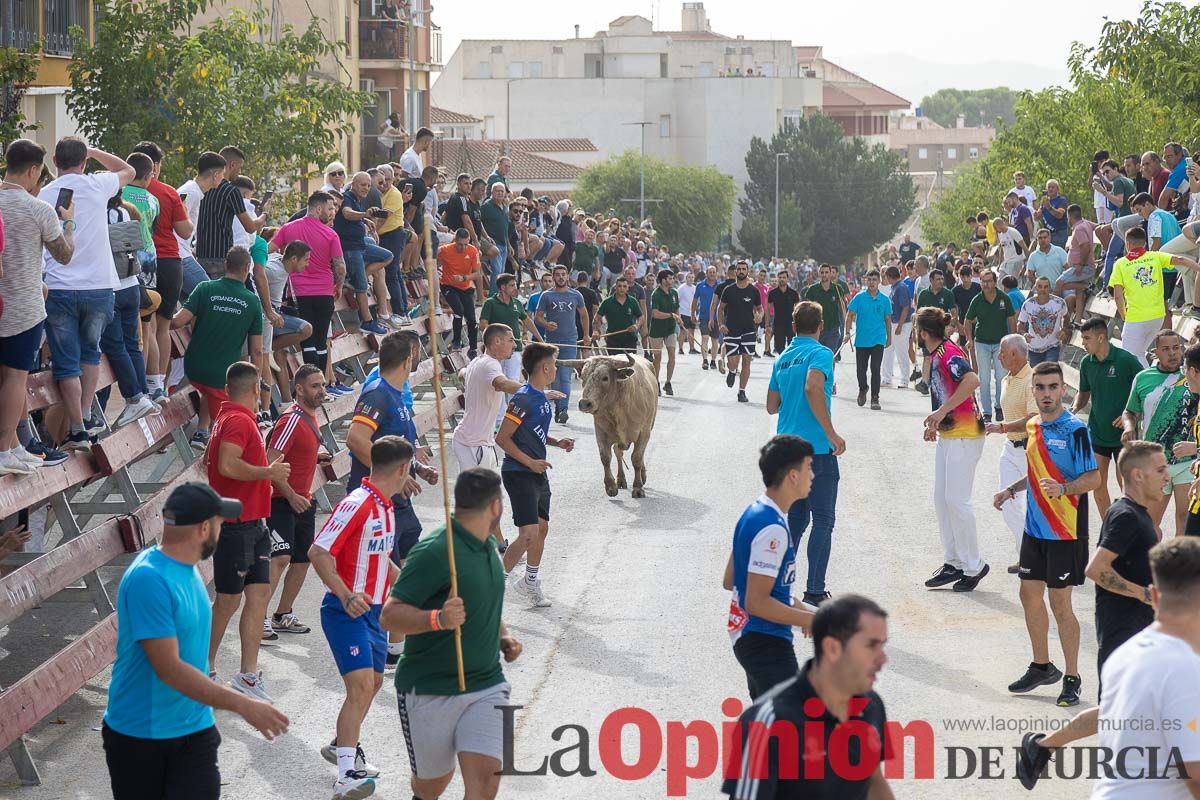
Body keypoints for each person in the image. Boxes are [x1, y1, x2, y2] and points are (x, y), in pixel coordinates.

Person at [102, 483, 288, 800]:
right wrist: (243, 704)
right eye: (219, 522)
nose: (222, 529)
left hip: (195, 730)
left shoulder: (187, 570)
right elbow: (170, 670)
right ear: (204, 528)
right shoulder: (149, 579)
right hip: (142, 737)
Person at [1017, 535, 1200, 795]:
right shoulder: (1183, 668)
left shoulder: (1125, 654)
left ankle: (1044, 744)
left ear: (1155, 596)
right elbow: (1194, 773)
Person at [382, 468, 521, 800]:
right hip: (430, 688)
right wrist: (438, 619)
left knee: (486, 782)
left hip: (486, 684)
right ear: (496, 507)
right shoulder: (434, 551)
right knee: (432, 787)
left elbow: (482, 600)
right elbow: (390, 616)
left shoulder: (487, 544)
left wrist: (502, 637)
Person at [309, 436, 413, 799]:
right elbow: (318, 551)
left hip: (375, 613)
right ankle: (345, 776)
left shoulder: (385, 506)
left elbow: (381, 557)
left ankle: (342, 744)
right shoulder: (356, 504)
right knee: (361, 688)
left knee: (374, 683)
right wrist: (345, 593)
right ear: (402, 469)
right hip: (345, 610)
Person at [993, 361, 1100, 707]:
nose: (1046, 394)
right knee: (1028, 594)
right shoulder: (1034, 425)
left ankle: (1072, 676)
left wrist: (1065, 487)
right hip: (1035, 529)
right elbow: (1039, 474)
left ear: (1063, 390)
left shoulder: (1076, 430)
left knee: (1060, 603)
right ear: (1033, 391)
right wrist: (1012, 489)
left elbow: (1094, 479)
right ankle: (1042, 666)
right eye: (1040, 388)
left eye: (1053, 387)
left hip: (1066, 532)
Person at [722, 595, 892, 800]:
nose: (883, 658)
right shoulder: (767, 722)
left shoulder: (872, 706)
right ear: (833, 648)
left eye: (882, 646)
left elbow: (874, 781)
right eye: (871, 646)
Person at [41, 138, 135, 451]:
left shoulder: (44, 194)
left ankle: (78, 430)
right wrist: (93, 151)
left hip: (59, 288)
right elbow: (129, 170)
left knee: (66, 361)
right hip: (98, 287)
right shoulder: (97, 186)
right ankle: (84, 414)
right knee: (91, 353)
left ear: (55, 160)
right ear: (83, 162)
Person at [204, 361, 289, 702]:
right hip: (237, 527)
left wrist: (265, 477)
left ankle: (248, 676)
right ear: (257, 389)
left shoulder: (233, 417)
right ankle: (201, 666)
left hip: (253, 525)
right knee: (227, 601)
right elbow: (227, 464)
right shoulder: (238, 420)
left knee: (257, 597)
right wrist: (267, 473)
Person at [723, 435, 817, 698]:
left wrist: (807, 613)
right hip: (766, 642)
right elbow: (757, 601)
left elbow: (732, 579)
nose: (813, 474)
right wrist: (809, 619)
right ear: (792, 476)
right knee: (789, 731)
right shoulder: (773, 528)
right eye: (808, 467)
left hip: (748, 638)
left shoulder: (755, 511)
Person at [0, 139, 74, 471]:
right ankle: (4, 448)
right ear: (33, 170)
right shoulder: (38, 208)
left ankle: (15, 445)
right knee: (15, 379)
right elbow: (64, 254)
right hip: (24, 306)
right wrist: (68, 223)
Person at [767, 301, 847, 606]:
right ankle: (814, 590)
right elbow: (814, 387)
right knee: (823, 519)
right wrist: (830, 432)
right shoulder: (821, 353)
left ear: (793, 324)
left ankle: (779, 585)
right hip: (815, 450)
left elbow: (772, 405)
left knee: (797, 521)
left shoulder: (783, 357)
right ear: (820, 325)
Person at [497, 343, 575, 608]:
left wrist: (556, 442)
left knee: (542, 528)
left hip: (536, 471)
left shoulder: (542, 397)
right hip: (519, 472)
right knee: (528, 534)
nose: (555, 368)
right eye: (554, 364)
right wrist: (530, 462)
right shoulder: (523, 398)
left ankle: (530, 581)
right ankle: (493, 586)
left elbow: (531, 433)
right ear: (544, 368)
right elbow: (503, 438)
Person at [918, 307, 989, 592]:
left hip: (966, 434)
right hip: (951, 433)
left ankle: (974, 565)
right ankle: (954, 562)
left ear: (922, 332)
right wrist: (937, 421)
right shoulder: (938, 353)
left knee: (957, 501)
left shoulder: (949, 352)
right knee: (942, 498)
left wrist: (941, 411)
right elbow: (947, 392)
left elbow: (972, 380)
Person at [171, 246, 264, 450]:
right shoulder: (252, 301)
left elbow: (178, 322)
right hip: (221, 377)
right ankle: (212, 442)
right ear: (247, 267)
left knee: (207, 390)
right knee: (227, 428)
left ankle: (201, 432)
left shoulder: (205, 288)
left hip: (194, 368)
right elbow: (256, 350)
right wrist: (257, 381)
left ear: (225, 265)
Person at [263, 365, 327, 641]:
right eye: (315, 386)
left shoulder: (312, 416)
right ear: (299, 389)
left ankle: (282, 614)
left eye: (323, 384)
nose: (322, 390)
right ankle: (258, 618)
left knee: (302, 560)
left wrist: (316, 459)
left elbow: (297, 455)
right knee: (280, 558)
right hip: (281, 500)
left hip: (303, 500)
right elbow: (269, 462)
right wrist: (290, 494)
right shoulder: (291, 419)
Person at [453, 324, 561, 474]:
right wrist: (535, 392)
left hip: (475, 441)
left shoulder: (477, 362)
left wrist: (468, 374)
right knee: (476, 495)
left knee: (486, 494)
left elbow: (462, 373)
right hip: (473, 443)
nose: (515, 345)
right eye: (511, 340)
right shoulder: (490, 364)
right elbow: (502, 384)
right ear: (497, 341)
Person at [131, 140, 193, 403]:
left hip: (139, 263)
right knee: (163, 327)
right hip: (170, 263)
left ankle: (144, 386)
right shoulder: (168, 192)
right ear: (155, 166)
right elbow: (185, 231)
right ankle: (160, 385)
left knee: (146, 326)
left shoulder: (124, 190)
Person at [1122, 330, 1197, 538]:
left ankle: (1180, 566)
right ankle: (1151, 565)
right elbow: (1130, 411)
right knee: (1150, 523)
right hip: (1155, 461)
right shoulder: (1143, 378)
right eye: (1166, 349)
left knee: (1184, 519)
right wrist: (1129, 427)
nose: (1172, 353)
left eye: (1176, 348)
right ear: (1155, 352)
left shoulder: (1191, 376)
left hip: (1187, 462)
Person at [1070, 318, 1143, 518]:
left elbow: (1144, 390)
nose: (1083, 342)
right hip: (1098, 432)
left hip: (1124, 436)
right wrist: (1075, 407)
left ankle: (1133, 527)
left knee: (1126, 486)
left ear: (1101, 337)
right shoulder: (1086, 362)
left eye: (1087, 338)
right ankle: (1110, 528)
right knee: (1097, 483)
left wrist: (1132, 415)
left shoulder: (1126, 360)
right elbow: (1083, 392)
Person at [270, 192, 346, 373]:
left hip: (298, 292)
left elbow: (268, 250)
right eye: (330, 208)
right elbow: (340, 266)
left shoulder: (288, 228)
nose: (333, 212)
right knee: (321, 340)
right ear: (318, 209)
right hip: (324, 291)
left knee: (308, 341)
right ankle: (320, 383)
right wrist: (339, 285)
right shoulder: (330, 234)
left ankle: (311, 383)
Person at [985, 335, 1039, 573]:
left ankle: (1032, 557)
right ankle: (1027, 554)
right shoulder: (1008, 378)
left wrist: (1003, 426)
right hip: (1010, 447)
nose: (999, 357)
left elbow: (1033, 419)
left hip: (1030, 449)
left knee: (1032, 508)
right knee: (1006, 504)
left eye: (1003, 354)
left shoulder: (1032, 380)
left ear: (1016, 354)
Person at [1109, 227, 1199, 366]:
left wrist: (1123, 314)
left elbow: (1118, 295)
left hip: (1136, 317)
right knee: (1138, 353)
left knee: (1128, 356)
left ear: (1127, 244)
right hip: (1158, 316)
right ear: (1145, 243)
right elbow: (1180, 259)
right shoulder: (1155, 256)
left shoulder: (1121, 264)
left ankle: (1146, 385)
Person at [334, 172, 391, 336]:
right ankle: (367, 321)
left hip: (360, 244)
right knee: (361, 287)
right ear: (353, 185)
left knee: (387, 256)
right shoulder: (347, 197)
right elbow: (346, 213)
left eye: (368, 185)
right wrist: (365, 215)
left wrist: (364, 220)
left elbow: (353, 216)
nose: (366, 188)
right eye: (362, 185)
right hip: (350, 248)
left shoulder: (358, 200)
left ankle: (358, 276)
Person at [534, 265, 590, 423]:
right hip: (552, 343)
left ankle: (563, 409)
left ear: (567, 277)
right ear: (553, 277)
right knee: (554, 377)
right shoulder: (546, 296)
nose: (560, 277)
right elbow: (537, 317)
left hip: (570, 341)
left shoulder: (576, 295)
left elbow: (584, 315)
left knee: (565, 377)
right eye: (557, 275)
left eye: (563, 275)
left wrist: (586, 334)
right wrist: (546, 324)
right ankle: (558, 407)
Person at [963, 270, 1015, 423]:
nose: (986, 284)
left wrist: (1013, 340)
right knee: (984, 379)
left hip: (1001, 343)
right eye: (983, 281)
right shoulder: (977, 300)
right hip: (982, 343)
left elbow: (1012, 319)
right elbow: (967, 320)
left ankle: (999, 407)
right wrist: (969, 339)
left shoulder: (1004, 298)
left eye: (989, 281)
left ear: (995, 281)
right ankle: (986, 411)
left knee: (1001, 376)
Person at [843, 269, 891, 410]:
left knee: (875, 369)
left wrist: (889, 338)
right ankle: (863, 388)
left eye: (874, 280)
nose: (871, 283)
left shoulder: (884, 300)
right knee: (860, 370)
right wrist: (846, 333)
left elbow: (887, 319)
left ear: (878, 281)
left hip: (878, 339)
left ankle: (875, 398)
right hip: (862, 340)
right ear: (866, 281)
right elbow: (850, 314)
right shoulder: (859, 297)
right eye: (869, 280)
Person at [719, 260, 765, 404]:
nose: (741, 271)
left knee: (746, 362)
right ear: (735, 272)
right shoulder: (729, 290)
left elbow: (760, 308)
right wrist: (721, 324)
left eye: (743, 269)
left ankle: (742, 391)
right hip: (732, 330)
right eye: (738, 269)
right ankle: (732, 371)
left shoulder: (753, 291)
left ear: (748, 271)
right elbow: (720, 309)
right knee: (732, 362)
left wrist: (759, 316)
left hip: (748, 331)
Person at [438, 228, 483, 357]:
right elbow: (432, 258)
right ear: (455, 240)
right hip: (448, 285)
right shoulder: (445, 250)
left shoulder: (472, 251)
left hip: (465, 286)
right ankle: (456, 342)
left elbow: (477, 273)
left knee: (472, 319)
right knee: (459, 310)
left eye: (465, 244)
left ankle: (473, 348)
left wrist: (464, 278)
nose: (463, 247)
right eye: (460, 244)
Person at [1017, 275, 1068, 366]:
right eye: (1040, 286)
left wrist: (1063, 329)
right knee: (1036, 375)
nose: (1043, 289)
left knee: (1049, 371)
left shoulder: (1059, 303)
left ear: (1050, 288)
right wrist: (1024, 334)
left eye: (1045, 287)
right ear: (1035, 288)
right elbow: (1020, 324)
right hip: (1034, 347)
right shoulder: (1028, 304)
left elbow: (1066, 317)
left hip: (1053, 345)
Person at [648, 269, 682, 396]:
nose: (672, 280)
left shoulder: (674, 292)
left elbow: (677, 308)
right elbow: (655, 314)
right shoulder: (656, 294)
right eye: (670, 278)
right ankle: (655, 382)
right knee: (657, 358)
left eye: (672, 278)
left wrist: (679, 318)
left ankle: (668, 382)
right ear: (663, 280)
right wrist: (671, 315)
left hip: (670, 329)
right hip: (656, 330)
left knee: (672, 355)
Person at [881, 265, 913, 390]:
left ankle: (904, 379)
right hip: (892, 323)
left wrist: (900, 325)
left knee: (901, 352)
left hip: (902, 324)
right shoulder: (894, 287)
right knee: (888, 350)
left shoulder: (901, 287)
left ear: (889, 276)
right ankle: (887, 378)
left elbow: (906, 307)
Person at [595, 275, 643, 357]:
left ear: (627, 288)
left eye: (624, 286)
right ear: (615, 287)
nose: (622, 288)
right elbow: (597, 318)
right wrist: (596, 330)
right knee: (615, 367)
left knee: (629, 367)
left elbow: (641, 317)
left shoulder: (633, 301)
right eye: (619, 286)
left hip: (630, 339)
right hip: (613, 340)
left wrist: (636, 326)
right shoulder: (607, 302)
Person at [766, 270, 800, 357]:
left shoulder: (793, 293)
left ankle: (787, 363)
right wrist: (767, 324)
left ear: (787, 279)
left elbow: (797, 310)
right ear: (777, 279)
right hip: (778, 324)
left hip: (791, 324)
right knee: (779, 347)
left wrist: (798, 324)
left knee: (791, 346)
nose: (782, 279)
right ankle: (784, 359)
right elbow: (768, 309)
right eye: (780, 277)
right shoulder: (773, 293)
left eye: (784, 277)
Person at [693, 266, 721, 370]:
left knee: (715, 340)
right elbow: (695, 300)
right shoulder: (700, 285)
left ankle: (713, 361)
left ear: (716, 274)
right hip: (704, 316)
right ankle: (705, 360)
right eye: (710, 272)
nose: (712, 274)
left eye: (714, 272)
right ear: (706, 273)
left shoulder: (720, 286)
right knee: (705, 337)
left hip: (716, 317)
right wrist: (692, 313)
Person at [676, 269, 698, 355]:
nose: (691, 279)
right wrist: (678, 314)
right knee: (683, 331)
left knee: (692, 331)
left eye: (692, 277)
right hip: (683, 312)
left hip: (692, 313)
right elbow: (677, 300)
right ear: (686, 278)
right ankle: (680, 349)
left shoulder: (695, 288)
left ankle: (692, 348)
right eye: (689, 277)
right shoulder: (681, 288)